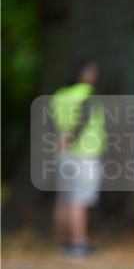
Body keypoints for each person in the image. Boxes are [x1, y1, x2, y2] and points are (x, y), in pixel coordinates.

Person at [51, 60, 106, 258]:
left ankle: (63, 242)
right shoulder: (87, 93)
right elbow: (83, 119)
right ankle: (78, 243)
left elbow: (51, 121)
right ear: (87, 74)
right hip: (83, 152)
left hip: (62, 152)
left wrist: (60, 139)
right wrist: (72, 137)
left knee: (64, 198)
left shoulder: (60, 95)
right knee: (78, 199)